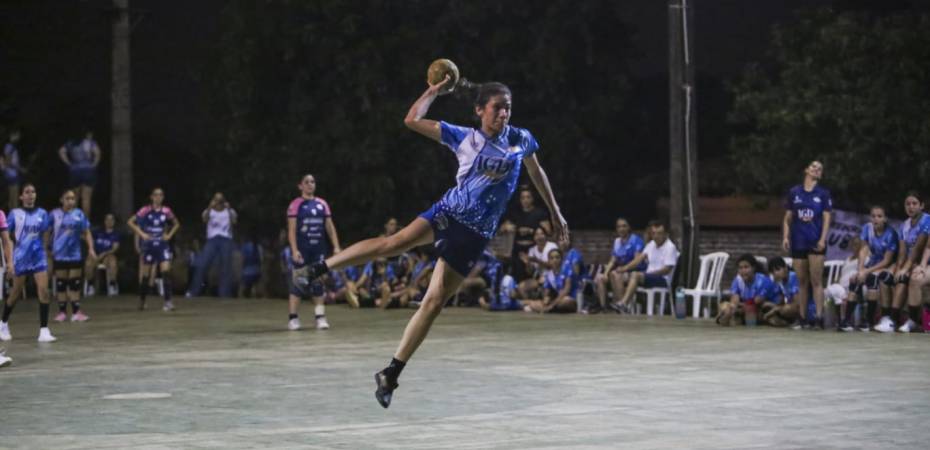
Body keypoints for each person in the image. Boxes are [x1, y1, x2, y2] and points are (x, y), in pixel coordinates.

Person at [302, 75, 568, 408]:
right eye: (497, 108)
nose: (504, 113)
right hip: (449, 214)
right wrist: (433, 91)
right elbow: (412, 120)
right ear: (479, 110)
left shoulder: (521, 139)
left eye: (508, 108)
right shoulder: (465, 137)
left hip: (475, 235)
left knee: (433, 302)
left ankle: (390, 373)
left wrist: (555, 211)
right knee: (394, 244)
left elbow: (536, 171)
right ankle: (319, 268)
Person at [0, 184, 56, 342]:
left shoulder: (42, 213)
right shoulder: (14, 214)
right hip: (21, 257)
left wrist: (46, 251)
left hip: (38, 257)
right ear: (21, 196)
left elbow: (46, 233)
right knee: (15, 293)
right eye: (27, 192)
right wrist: (10, 259)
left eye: (33, 192)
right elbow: (7, 237)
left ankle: (44, 330)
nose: (31, 194)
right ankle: (3, 323)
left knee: (44, 291)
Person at [286, 174, 342, 330]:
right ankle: (293, 318)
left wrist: (336, 246)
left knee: (318, 283)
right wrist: (294, 250)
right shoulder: (296, 204)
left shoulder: (322, 204)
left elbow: (330, 227)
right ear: (300, 186)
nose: (310, 184)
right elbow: (291, 229)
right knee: (299, 283)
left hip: (319, 250)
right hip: (303, 250)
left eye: (312, 182)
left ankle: (320, 317)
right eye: (306, 182)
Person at [782, 160, 832, 330]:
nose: (817, 169)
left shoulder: (823, 194)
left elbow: (827, 218)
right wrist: (786, 237)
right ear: (806, 170)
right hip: (798, 241)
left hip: (815, 241)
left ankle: (818, 318)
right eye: (814, 166)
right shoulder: (794, 192)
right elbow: (788, 218)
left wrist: (822, 239)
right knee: (802, 281)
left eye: (820, 168)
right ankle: (802, 318)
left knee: (816, 280)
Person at [876, 192, 930, 333]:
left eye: (914, 203)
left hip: (921, 262)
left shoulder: (927, 220)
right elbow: (902, 251)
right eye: (908, 204)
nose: (911, 207)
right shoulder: (903, 226)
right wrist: (898, 267)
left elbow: (918, 248)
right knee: (885, 276)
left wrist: (906, 268)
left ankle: (904, 320)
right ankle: (886, 318)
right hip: (912, 261)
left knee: (908, 277)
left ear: (922, 206)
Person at [127, 187, 181, 312]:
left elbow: (176, 223)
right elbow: (130, 222)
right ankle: (142, 300)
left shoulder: (166, 210)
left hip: (162, 245)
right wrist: (142, 234)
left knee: (166, 272)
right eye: (156, 195)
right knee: (146, 275)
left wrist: (169, 235)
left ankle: (168, 302)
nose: (158, 197)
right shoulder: (145, 210)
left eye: (161, 195)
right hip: (149, 245)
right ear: (151, 197)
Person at [50, 190, 96, 323]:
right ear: (61, 200)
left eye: (72, 199)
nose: (70, 201)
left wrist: (91, 248)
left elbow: (87, 232)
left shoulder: (79, 214)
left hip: (75, 254)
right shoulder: (54, 214)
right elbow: (47, 232)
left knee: (74, 284)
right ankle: (62, 312)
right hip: (59, 254)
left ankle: (76, 312)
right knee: (61, 284)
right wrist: (46, 248)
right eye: (67, 198)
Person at [850, 206, 898, 332]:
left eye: (879, 216)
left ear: (885, 219)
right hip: (873, 263)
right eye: (873, 216)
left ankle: (870, 320)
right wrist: (860, 269)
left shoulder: (891, 234)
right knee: (855, 279)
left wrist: (866, 271)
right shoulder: (867, 228)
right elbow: (863, 249)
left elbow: (887, 261)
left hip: (889, 265)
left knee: (872, 278)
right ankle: (846, 322)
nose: (876, 219)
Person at [614, 221, 679, 310]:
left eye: (659, 233)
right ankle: (621, 304)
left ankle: (624, 304)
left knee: (635, 275)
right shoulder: (651, 244)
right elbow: (638, 260)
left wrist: (649, 274)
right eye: (653, 233)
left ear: (666, 234)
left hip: (662, 279)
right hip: (649, 276)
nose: (656, 236)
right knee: (618, 275)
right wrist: (624, 268)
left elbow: (667, 270)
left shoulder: (670, 247)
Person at [187, 193, 238, 298]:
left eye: (221, 200)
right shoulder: (209, 211)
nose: (218, 202)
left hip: (226, 239)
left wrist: (229, 209)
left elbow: (234, 221)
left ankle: (224, 294)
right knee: (202, 264)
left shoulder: (229, 211)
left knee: (225, 267)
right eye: (216, 200)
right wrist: (209, 207)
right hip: (212, 239)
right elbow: (204, 220)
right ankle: (194, 291)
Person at [500, 188, 551, 288]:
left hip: (533, 248)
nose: (525, 200)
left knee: (532, 274)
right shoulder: (515, 213)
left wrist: (531, 230)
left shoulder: (539, 213)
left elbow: (548, 231)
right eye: (523, 198)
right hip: (517, 249)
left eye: (528, 197)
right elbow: (502, 229)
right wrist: (510, 228)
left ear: (532, 199)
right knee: (516, 275)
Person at [597, 218, 646, 313]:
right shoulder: (617, 242)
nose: (621, 229)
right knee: (600, 278)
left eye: (624, 226)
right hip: (621, 271)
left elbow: (637, 261)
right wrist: (605, 274)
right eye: (619, 227)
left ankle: (621, 306)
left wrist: (624, 269)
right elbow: (612, 261)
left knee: (615, 274)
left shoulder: (636, 240)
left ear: (629, 227)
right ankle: (604, 308)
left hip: (634, 271)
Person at [717, 254, 776, 326]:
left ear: (753, 268)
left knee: (752, 309)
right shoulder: (738, 280)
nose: (743, 271)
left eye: (746, 267)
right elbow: (734, 299)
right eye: (740, 268)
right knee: (726, 306)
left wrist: (739, 307)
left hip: (765, 308)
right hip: (747, 307)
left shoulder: (763, 280)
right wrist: (730, 309)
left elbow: (757, 301)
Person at [58, 131, 101, 218]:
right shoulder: (90, 143)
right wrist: (94, 164)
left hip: (75, 170)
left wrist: (68, 163)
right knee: (86, 198)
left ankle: (74, 221)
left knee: (75, 198)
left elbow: (61, 151)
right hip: (88, 170)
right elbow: (97, 152)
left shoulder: (71, 143)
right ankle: (85, 222)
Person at [86, 213, 121, 296]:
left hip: (108, 254)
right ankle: (90, 284)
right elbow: (89, 242)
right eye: (107, 219)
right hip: (96, 254)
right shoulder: (97, 232)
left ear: (114, 222)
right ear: (104, 221)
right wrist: (93, 253)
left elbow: (115, 248)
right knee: (88, 263)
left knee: (112, 262)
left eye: (111, 219)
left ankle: (112, 284)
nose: (109, 221)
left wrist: (104, 253)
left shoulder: (116, 234)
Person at [518, 227, 558, 299]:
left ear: (546, 236)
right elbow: (530, 272)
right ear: (534, 238)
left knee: (544, 288)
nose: (539, 236)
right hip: (540, 279)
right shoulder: (532, 250)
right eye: (537, 234)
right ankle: (530, 303)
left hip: (554, 277)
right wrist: (527, 263)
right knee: (521, 287)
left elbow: (554, 265)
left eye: (542, 234)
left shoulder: (552, 246)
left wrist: (536, 260)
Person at [762, 257, 800, 327]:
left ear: (785, 268)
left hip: (803, 310)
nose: (776, 273)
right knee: (769, 311)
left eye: (778, 269)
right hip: (789, 308)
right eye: (773, 272)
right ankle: (787, 323)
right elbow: (781, 303)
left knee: (786, 309)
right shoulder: (780, 282)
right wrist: (771, 305)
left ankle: (798, 321)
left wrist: (774, 310)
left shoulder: (794, 277)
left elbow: (797, 304)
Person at [2, 130, 25, 211]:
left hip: (9, 174)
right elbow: (8, 161)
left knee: (12, 197)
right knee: (14, 198)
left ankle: (11, 213)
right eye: (16, 135)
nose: (18, 137)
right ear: (12, 136)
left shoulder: (8, 146)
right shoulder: (10, 147)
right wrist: (19, 168)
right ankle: (14, 214)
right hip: (13, 174)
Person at [239, 229, 263, 298]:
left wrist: (241, 271)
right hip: (257, 272)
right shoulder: (258, 247)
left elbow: (242, 260)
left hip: (246, 273)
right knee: (255, 285)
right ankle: (255, 294)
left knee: (243, 286)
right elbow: (261, 260)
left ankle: (243, 296)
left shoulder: (245, 246)